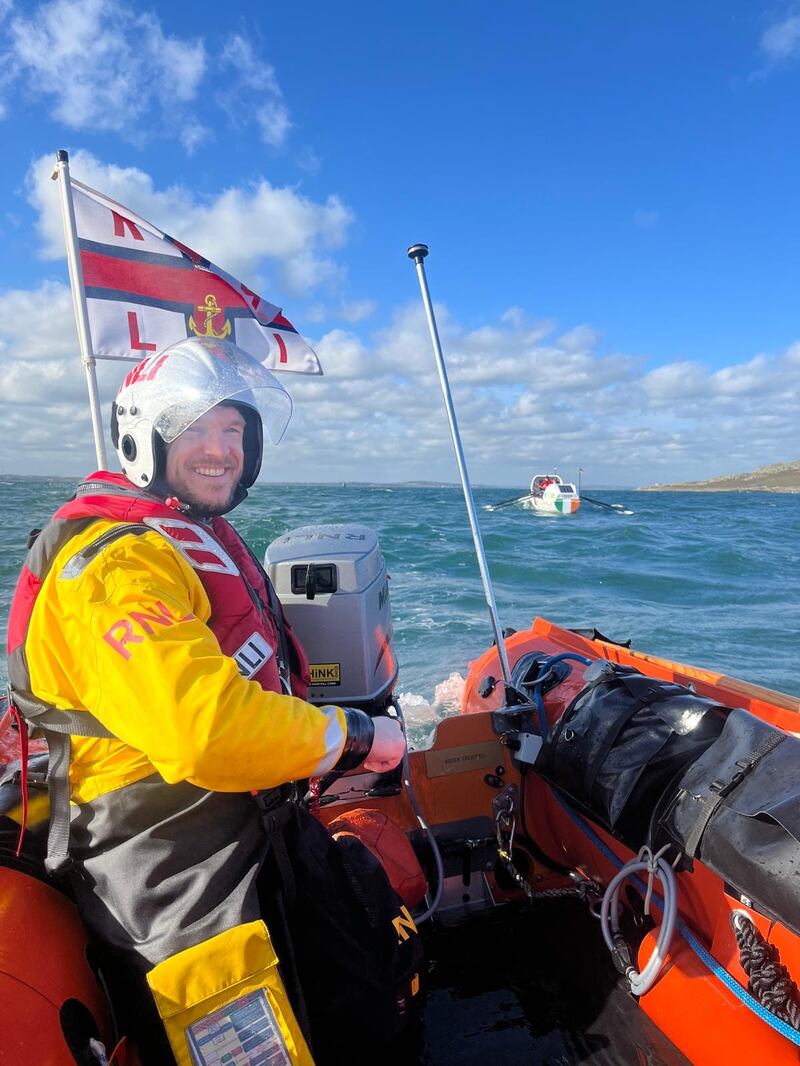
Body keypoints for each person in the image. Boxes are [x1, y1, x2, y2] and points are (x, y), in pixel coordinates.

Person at [5, 337, 413, 1066]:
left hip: (260, 822)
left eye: (234, 431)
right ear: (146, 434)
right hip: (169, 857)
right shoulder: (112, 564)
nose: (220, 449)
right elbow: (205, 730)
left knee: (362, 993)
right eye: (195, 428)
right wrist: (353, 735)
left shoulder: (188, 537)